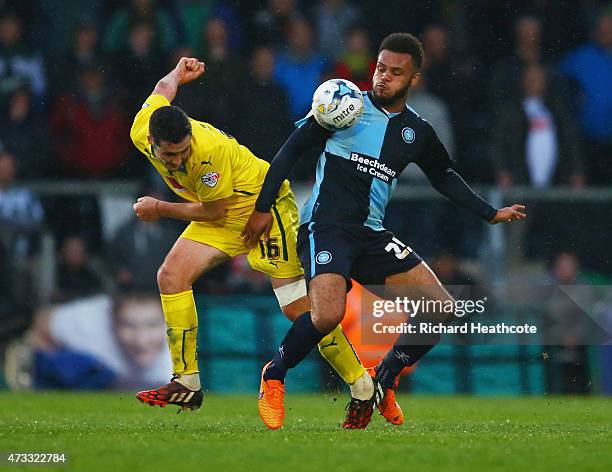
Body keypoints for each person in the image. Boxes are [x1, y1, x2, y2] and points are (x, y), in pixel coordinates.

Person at [243, 33, 526, 430]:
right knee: (328, 313)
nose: (383, 78)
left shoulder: (417, 131)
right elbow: (290, 151)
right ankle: (274, 375)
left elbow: (443, 176)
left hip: (370, 233)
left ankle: (385, 377)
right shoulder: (344, 105)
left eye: (396, 72)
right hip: (326, 225)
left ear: (414, 79)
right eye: (380, 68)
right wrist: (260, 209)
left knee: (439, 307)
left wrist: (489, 212)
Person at [129, 57, 377, 418]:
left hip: (264, 207)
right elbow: (160, 93)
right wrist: (177, 75)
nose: (178, 162)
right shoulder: (143, 128)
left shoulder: (206, 151)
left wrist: (159, 207)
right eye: (171, 155)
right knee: (171, 276)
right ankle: (187, 382)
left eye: (183, 152)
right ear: (152, 141)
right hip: (224, 213)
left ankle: (362, 384)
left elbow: (213, 210)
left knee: (299, 310)